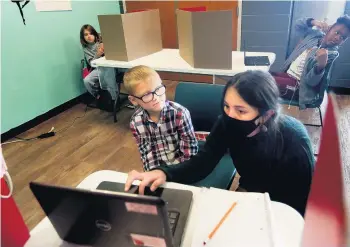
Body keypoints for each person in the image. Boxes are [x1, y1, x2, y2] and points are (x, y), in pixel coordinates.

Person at [125, 70, 315, 216]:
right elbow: (202, 163)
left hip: (282, 205)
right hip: (250, 189)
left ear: (267, 114)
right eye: (226, 106)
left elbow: (300, 204)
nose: (230, 116)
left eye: (241, 111)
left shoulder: (294, 141)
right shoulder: (226, 123)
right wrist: (163, 172)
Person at [124, 65, 199, 171]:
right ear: (133, 100)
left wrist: (172, 173)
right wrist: (154, 173)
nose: (156, 98)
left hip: (182, 169)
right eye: (147, 95)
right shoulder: (136, 122)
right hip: (158, 172)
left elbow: (189, 152)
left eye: (158, 89)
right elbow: (146, 153)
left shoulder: (180, 114)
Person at [273, 15, 350, 109]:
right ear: (330, 28)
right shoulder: (314, 35)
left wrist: (321, 66)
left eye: (343, 38)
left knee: (263, 84)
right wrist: (314, 22)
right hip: (287, 74)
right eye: (337, 32)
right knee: (261, 76)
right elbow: (298, 25)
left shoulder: (331, 54)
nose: (337, 38)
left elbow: (311, 82)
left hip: (300, 89)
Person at [80, 24, 104, 99]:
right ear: (83, 37)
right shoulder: (86, 49)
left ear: (94, 34)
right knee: (87, 81)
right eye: (86, 35)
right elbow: (91, 63)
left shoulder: (102, 41)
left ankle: (114, 97)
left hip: (110, 66)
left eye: (91, 33)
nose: (89, 36)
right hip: (98, 68)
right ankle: (99, 96)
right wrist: (97, 54)